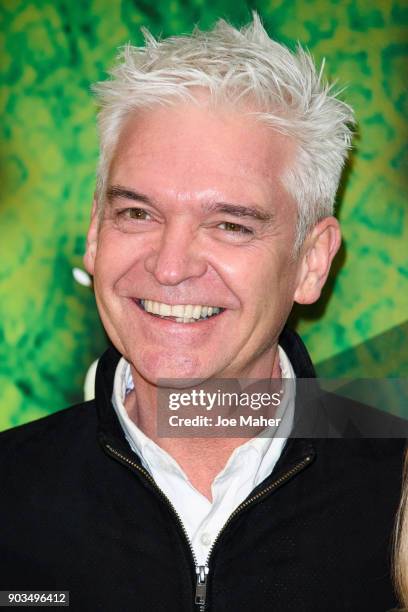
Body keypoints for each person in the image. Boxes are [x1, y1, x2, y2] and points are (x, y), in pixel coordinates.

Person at [0, 14, 406, 611]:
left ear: (312, 262)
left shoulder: (395, 493)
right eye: (137, 214)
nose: (169, 266)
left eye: (230, 226)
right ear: (94, 232)